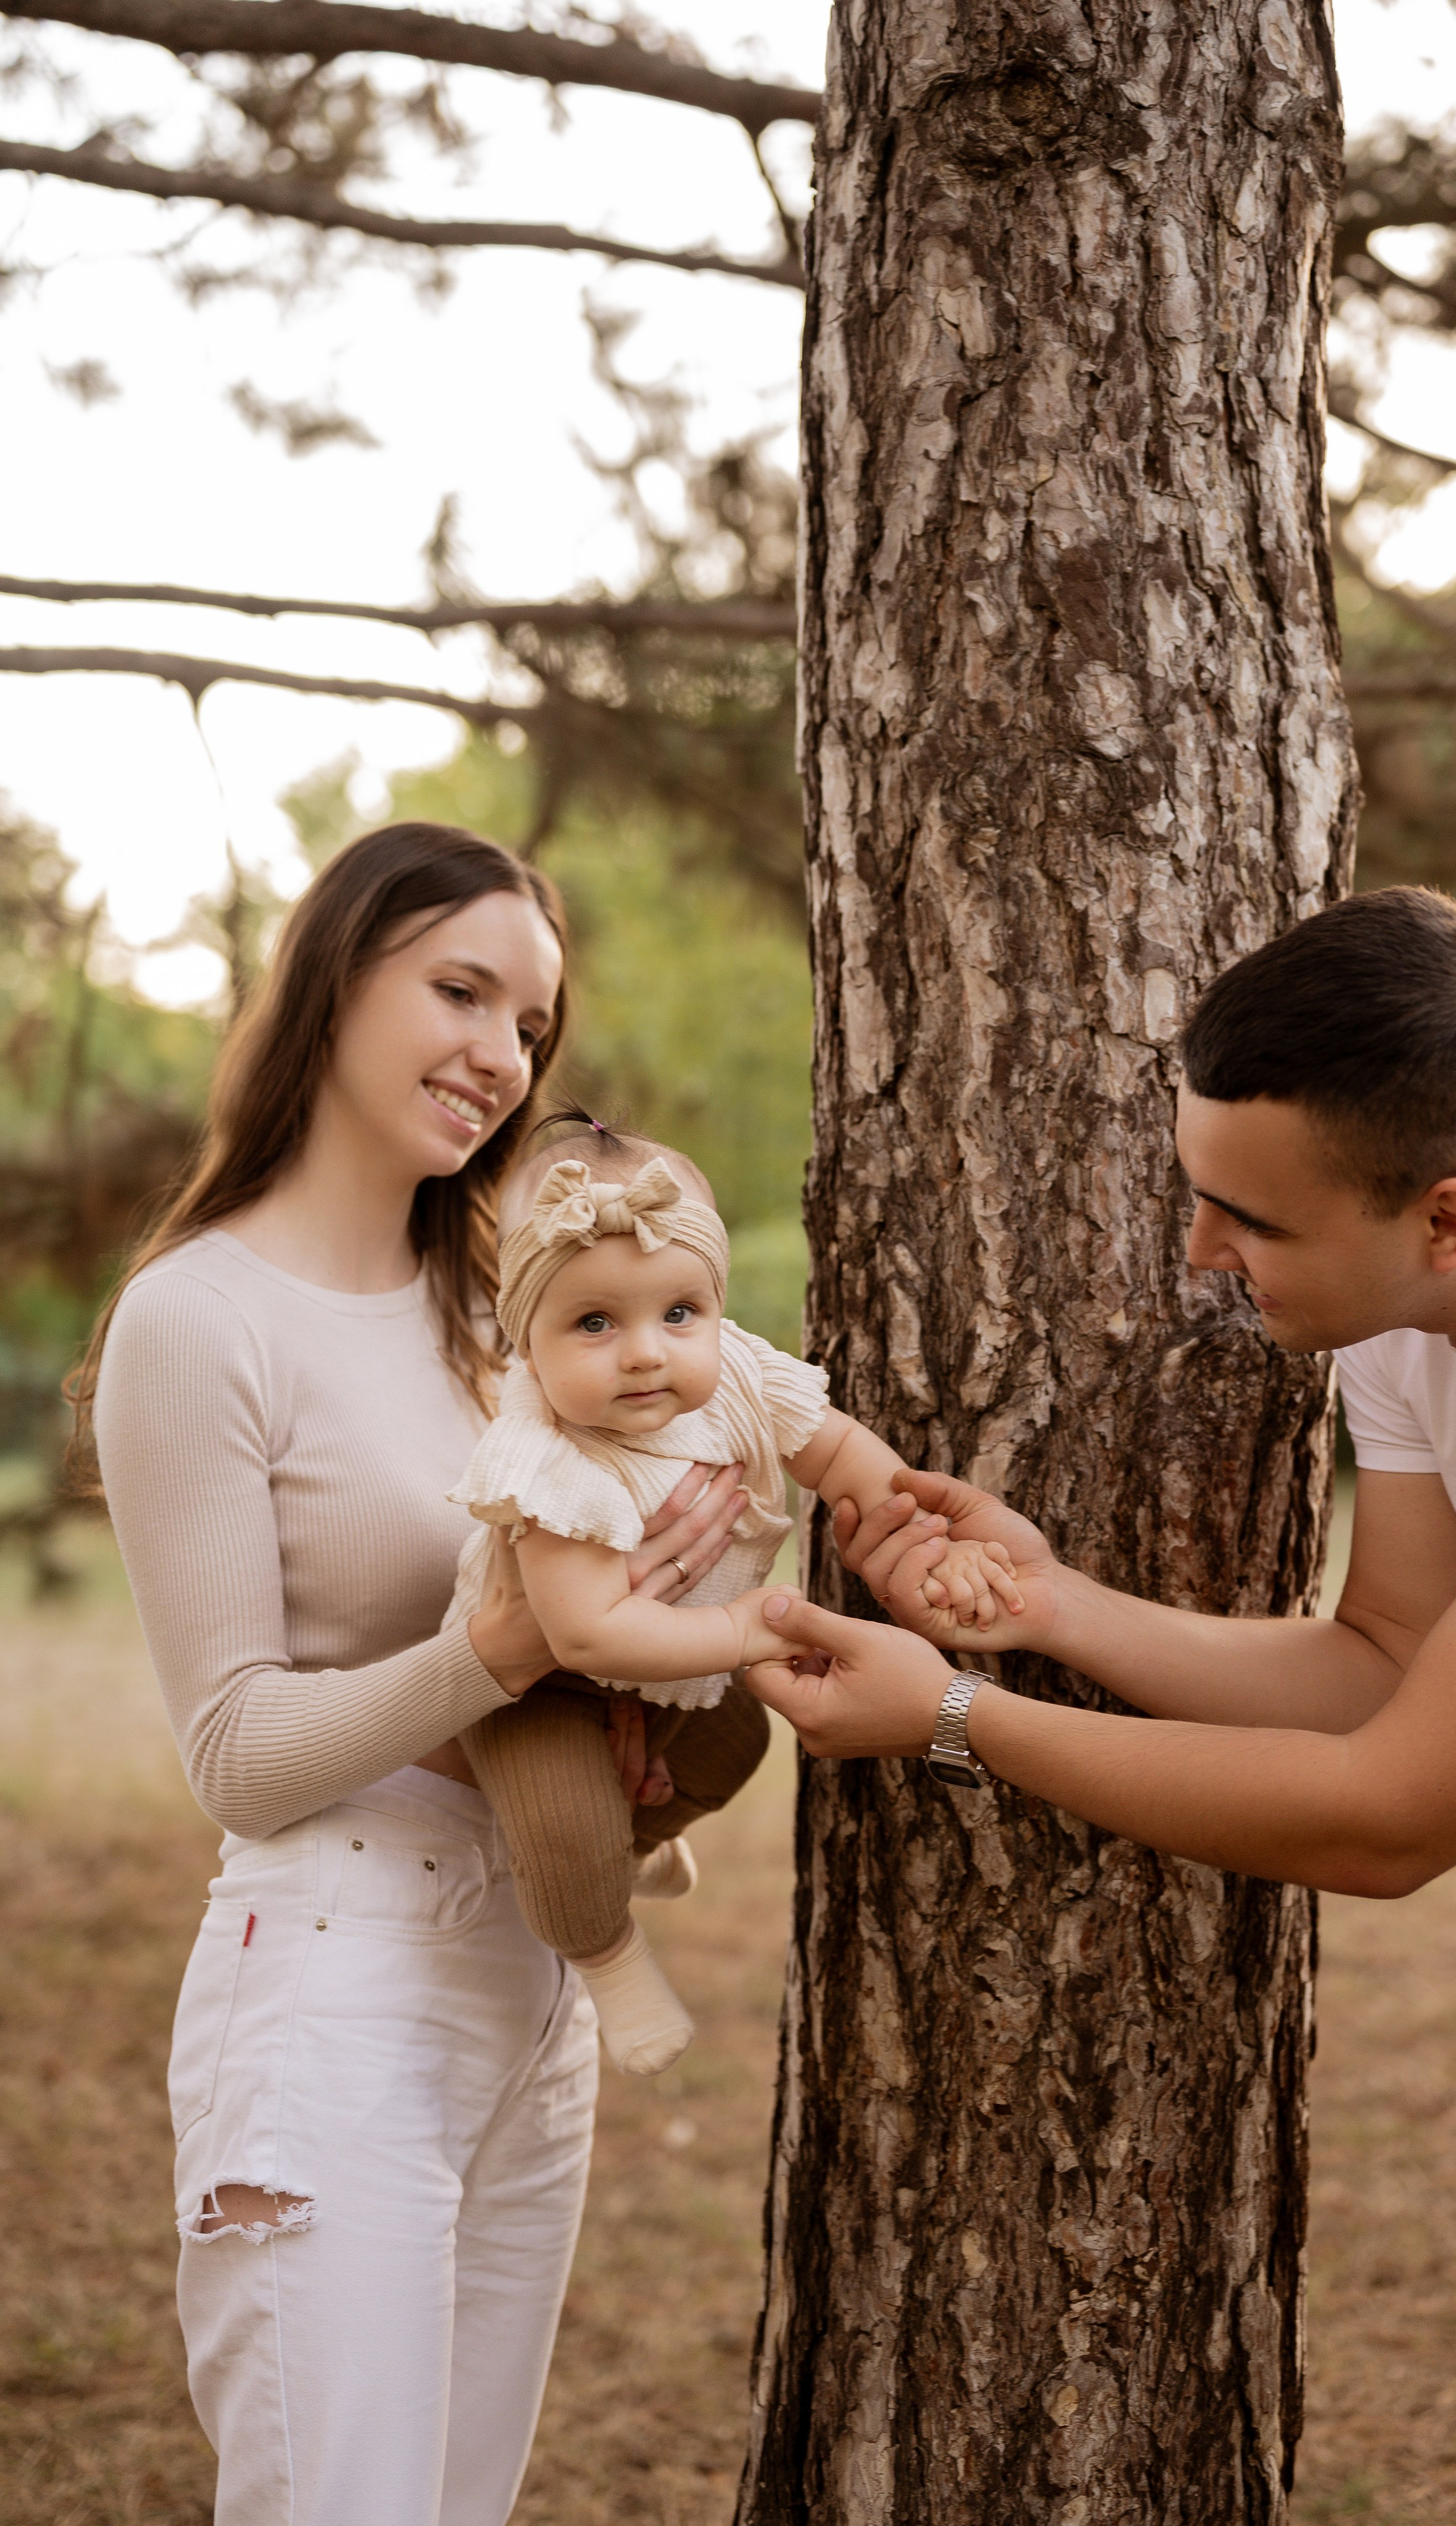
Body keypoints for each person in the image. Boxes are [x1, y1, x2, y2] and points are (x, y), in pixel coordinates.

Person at [745, 886, 1456, 2522]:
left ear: (1447, 1217)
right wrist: (1047, 1606)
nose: (1199, 1254)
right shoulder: (1413, 1283)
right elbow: (1383, 1654)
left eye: (1247, 1221)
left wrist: (956, 1718)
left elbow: (1389, 1815)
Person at [81, 824, 750, 2526]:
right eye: (460, 990)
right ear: (337, 970)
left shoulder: (502, 1311)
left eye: (529, 1024)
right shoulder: (198, 1319)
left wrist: (652, 1681)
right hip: (333, 1984)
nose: (499, 1057)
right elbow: (234, 1752)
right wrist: (494, 1649)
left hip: (530, 1998)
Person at [450, 1121, 1021, 2078]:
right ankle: (604, 1945)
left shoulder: (741, 1383)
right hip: (538, 1685)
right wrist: (741, 1628)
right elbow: (586, 1637)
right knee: (563, 1831)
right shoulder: (545, 1456)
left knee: (740, 1741)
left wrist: (916, 1530)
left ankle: (637, 1841)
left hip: (672, 1663)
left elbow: (840, 1454)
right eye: (594, 1323)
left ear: (716, 1307)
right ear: (527, 1338)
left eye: (679, 1314)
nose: (644, 1354)